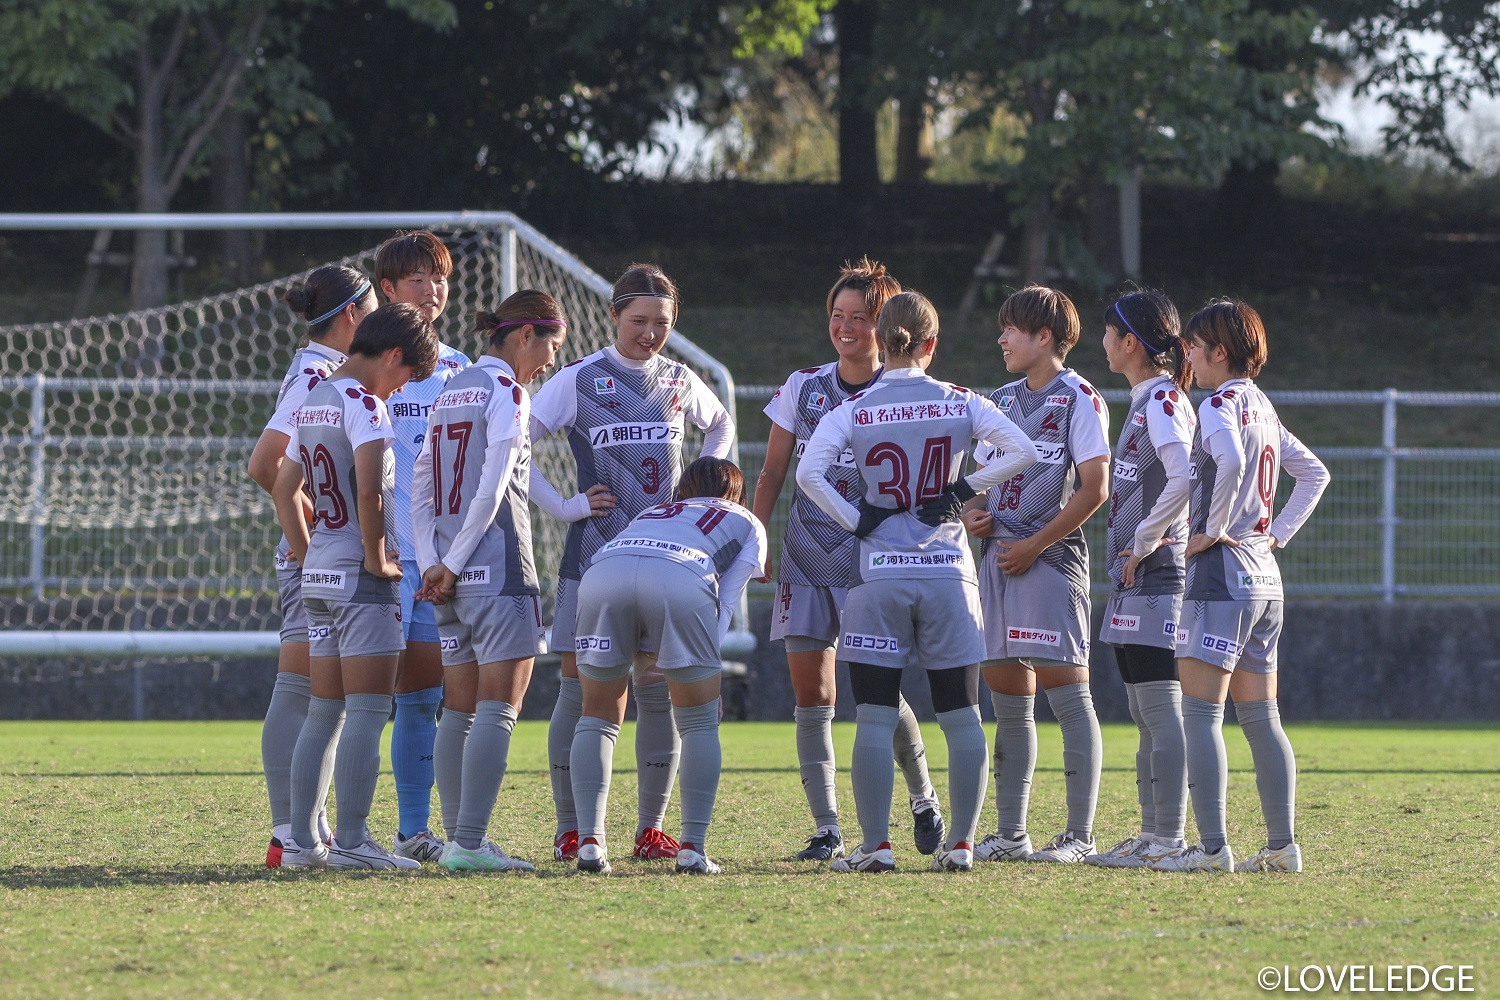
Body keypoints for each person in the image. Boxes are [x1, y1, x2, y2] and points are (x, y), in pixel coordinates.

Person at [796, 290, 1038, 873]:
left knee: (875, 715)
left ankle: (876, 846)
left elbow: (808, 473)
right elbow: (1025, 451)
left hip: (878, 575)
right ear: (932, 344)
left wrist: (857, 519)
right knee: (960, 714)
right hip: (949, 574)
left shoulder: (854, 408)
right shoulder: (959, 399)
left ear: (880, 339)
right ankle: (960, 846)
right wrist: (960, 492)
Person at [531, 263, 734, 862]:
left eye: (662, 323)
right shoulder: (579, 379)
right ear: (614, 316)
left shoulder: (678, 378)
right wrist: (565, 507)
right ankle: (571, 828)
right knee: (579, 693)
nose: (649, 333)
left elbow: (720, 424)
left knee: (656, 692)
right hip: (591, 561)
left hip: (665, 561)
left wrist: (703, 493)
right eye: (639, 321)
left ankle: (651, 827)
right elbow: (517, 444)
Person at [752, 259, 945, 862]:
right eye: (837, 316)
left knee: (876, 690)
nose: (845, 327)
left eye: (859, 318)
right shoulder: (804, 387)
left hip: (872, 563)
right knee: (812, 696)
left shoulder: (903, 394)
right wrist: (756, 536)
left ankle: (922, 797)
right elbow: (773, 471)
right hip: (806, 560)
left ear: (885, 326)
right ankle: (827, 826)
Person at [1149, 299, 1329, 873]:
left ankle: (1211, 849)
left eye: (1193, 349)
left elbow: (1225, 460)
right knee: (1262, 718)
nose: (1188, 359)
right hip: (1266, 580)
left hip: (1223, 572)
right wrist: (1273, 534)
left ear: (1218, 352)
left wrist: (1212, 529)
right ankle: (1282, 847)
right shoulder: (1265, 408)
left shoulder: (1219, 404)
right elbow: (1314, 473)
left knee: (1200, 713)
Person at [271, 303, 440, 870]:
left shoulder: (314, 396)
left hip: (317, 575)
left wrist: (304, 551)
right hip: (361, 579)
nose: (400, 390)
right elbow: (370, 493)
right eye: (407, 377)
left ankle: (298, 843)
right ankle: (353, 842)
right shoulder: (365, 404)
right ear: (393, 356)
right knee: (368, 710)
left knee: (324, 712)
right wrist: (377, 559)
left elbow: (282, 488)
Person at [411, 290, 570, 873]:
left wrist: (434, 561)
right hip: (497, 571)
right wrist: (452, 564)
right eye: (552, 344)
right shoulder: (508, 390)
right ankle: (470, 843)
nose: (552, 360)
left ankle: (460, 837)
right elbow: (495, 485)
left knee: (457, 710)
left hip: (447, 577)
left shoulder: (451, 386)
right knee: (498, 708)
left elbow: (423, 481)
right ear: (526, 335)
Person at [963, 285, 1111, 865]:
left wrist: (1033, 545)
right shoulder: (997, 399)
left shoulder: (1081, 398)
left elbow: (1096, 488)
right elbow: (976, 480)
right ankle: (1011, 833)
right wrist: (971, 513)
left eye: (1012, 330)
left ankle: (1079, 835)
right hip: (997, 562)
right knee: (1008, 704)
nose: (1001, 338)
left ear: (1044, 336)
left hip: (1049, 561)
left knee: (1069, 700)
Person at [569, 457, 767, 875]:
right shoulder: (747, 520)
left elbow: (640, 571)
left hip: (604, 573)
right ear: (737, 492)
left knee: (597, 716)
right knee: (698, 723)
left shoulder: (652, 510)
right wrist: (704, 672)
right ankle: (692, 846)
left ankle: (590, 841)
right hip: (680, 578)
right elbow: (727, 603)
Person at [246, 264, 378, 867]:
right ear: (351, 313)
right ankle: (289, 831)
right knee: (307, 690)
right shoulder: (319, 376)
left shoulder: (326, 372)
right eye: (373, 306)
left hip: (322, 553)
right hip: (319, 556)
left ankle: (303, 829)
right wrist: (308, 546)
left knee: (319, 693)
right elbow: (266, 463)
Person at [1084, 291, 1195, 869]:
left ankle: (1168, 836)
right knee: (1142, 705)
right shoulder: (1147, 399)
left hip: (1158, 571)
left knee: (1159, 708)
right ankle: (1152, 834)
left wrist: (1147, 540)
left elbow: (1181, 478)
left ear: (1129, 342)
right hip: (1137, 574)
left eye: (1107, 332)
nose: (1101, 342)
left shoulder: (1162, 402)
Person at [373, 231, 473, 864]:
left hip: (445, 559)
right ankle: (317, 830)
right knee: (352, 698)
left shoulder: (460, 369)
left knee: (426, 697)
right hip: (381, 559)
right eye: (418, 279)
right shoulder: (364, 367)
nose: (432, 289)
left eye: (439, 278)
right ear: (387, 290)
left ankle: (424, 830)